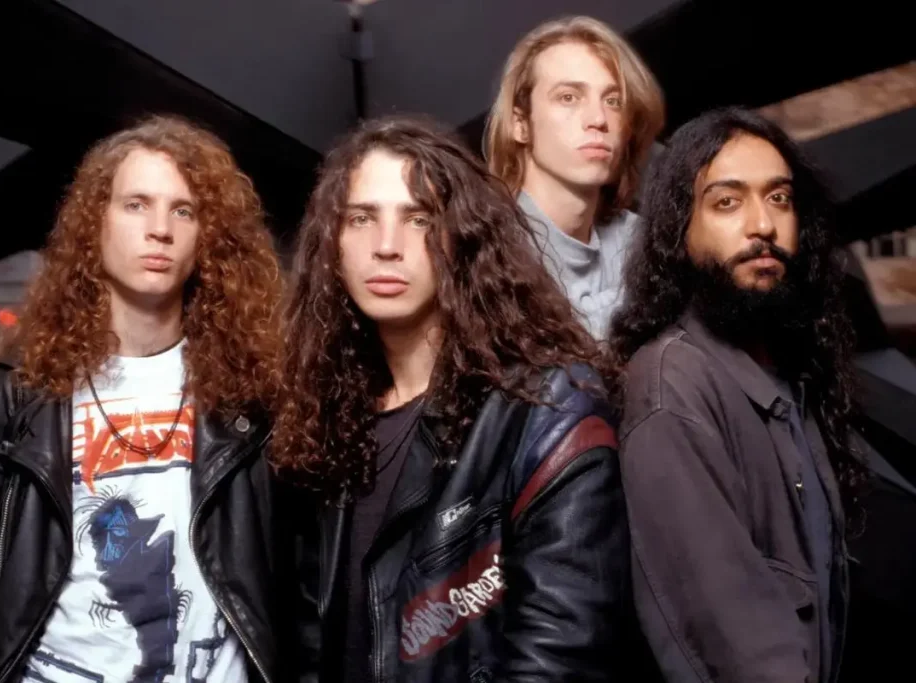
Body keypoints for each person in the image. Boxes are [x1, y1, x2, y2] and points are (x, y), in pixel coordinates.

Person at [0, 115, 285, 683]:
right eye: (136, 204)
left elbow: (300, 579)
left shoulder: (255, 391)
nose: (159, 228)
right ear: (96, 224)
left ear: (206, 237)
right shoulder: (21, 390)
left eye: (183, 210)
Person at [271, 115, 633, 683]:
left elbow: (562, 657)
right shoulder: (326, 414)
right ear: (331, 245)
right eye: (362, 218)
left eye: (418, 219)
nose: (386, 247)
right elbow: (311, 645)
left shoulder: (547, 407)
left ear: (461, 239)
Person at [610, 107, 865, 683]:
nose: (763, 226)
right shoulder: (671, 389)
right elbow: (739, 649)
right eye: (727, 202)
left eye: (779, 198)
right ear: (680, 229)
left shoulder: (784, 368)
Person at [484, 15, 665, 340]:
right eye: (568, 97)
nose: (598, 119)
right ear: (520, 124)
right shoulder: (485, 259)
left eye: (613, 101)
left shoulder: (643, 245)